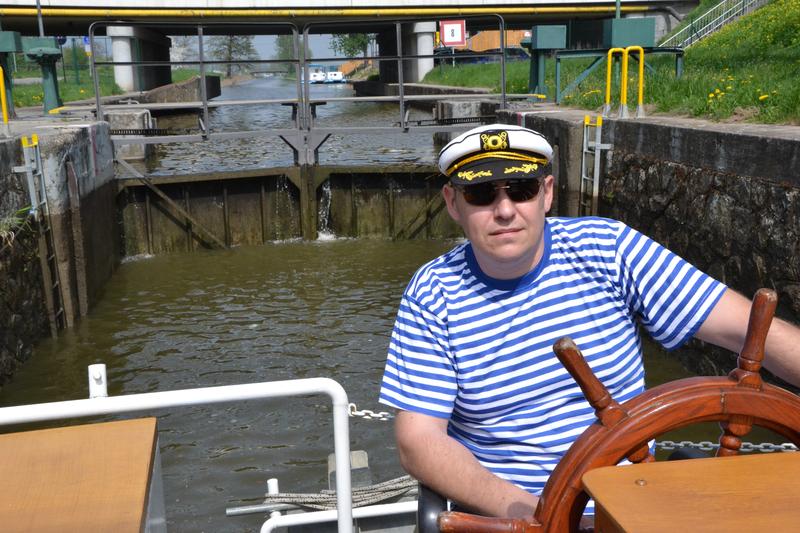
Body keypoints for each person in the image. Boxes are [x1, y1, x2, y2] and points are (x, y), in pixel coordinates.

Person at [378, 123, 800, 520]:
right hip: (513, 515)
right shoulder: (432, 294)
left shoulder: (608, 250)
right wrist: (542, 517)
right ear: (453, 203)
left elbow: (750, 329)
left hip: (634, 506)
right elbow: (419, 441)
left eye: (521, 190)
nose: (504, 210)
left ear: (546, 193)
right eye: (481, 194)